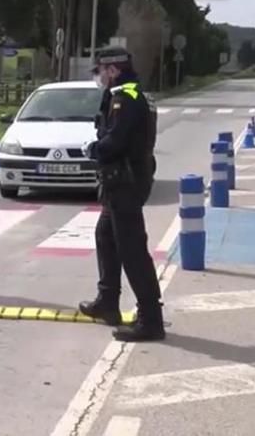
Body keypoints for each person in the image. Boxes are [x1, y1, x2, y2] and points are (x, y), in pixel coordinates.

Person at [79, 46, 163, 342]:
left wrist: (94, 150)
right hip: (122, 181)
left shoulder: (124, 98)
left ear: (112, 69)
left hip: (125, 181)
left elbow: (116, 140)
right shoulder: (131, 93)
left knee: (132, 250)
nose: (99, 76)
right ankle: (108, 303)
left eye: (100, 70)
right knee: (105, 237)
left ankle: (151, 319)